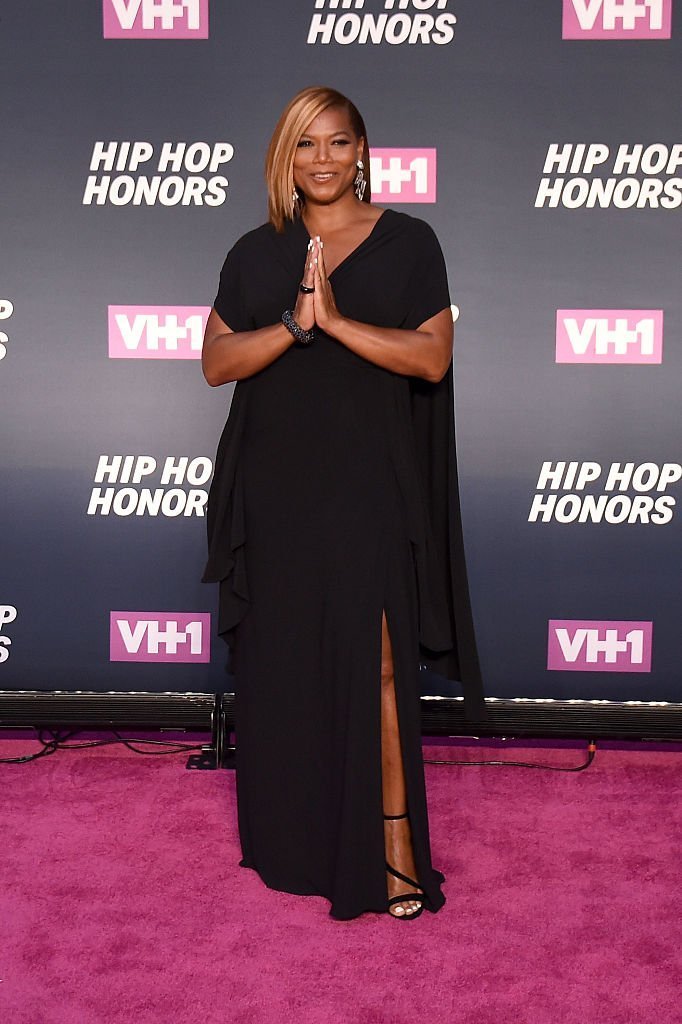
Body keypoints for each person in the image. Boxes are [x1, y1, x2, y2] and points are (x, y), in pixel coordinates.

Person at [201, 86, 486, 921]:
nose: (321, 160)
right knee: (288, 666)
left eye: (337, 143)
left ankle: (395, 847)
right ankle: (298, 842)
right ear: (284, 159)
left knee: (383, 663)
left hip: (371, 485)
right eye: (304, 145)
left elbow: (432, 356)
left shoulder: (409, 242)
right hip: (278, 488)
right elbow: (217, 362)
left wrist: (334, 320)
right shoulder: (257, 251)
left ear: (364, 150)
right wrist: (291, 325)